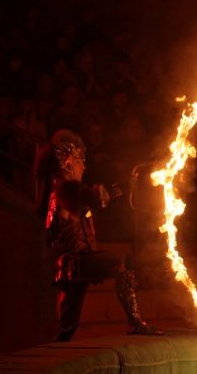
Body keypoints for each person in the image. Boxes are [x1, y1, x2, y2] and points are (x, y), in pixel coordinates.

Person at [34, 130, 161, 341]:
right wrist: (122, 186)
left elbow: (91, 202)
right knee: (121, 264)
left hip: (75, 264)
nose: (84, 167)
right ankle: (135, 322)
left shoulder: (65, 191)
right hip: (76, 262)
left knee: (68, 324)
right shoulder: (63, 190)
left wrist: (122, 187)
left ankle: (56, 345)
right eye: (80, 161)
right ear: (67, 163)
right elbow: (94, 197)